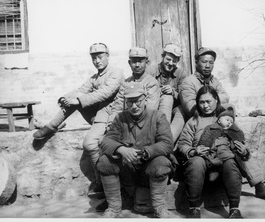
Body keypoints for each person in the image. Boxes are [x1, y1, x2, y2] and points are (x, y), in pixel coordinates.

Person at [179, 47, 265, 201]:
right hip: (199, 123)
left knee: (237, 145)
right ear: (196, 62)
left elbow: (226, 96)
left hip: (217, 121)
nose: (207, 65)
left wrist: (217, 103)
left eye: (211, 63)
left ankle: (259, 186)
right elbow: (191, 107)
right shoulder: (188, 82)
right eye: (204, 62)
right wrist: (211, 100)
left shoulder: (214, 80)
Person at [33, 43, 125, 195]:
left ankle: (101, 182)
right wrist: (66, 97)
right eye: (94, 58)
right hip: (98, 114)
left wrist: (79, 100)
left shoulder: (116, 73)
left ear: (108, 56)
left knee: (89, 144)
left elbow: (104, 93)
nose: (97, 61)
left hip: (110, 116)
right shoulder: (95, 77)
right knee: (74, 98)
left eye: (100, 57)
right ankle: (51, 126)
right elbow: (81, 90)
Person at [95, 46, 161, 212]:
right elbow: (118, 106)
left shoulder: (152, 83)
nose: (137, 64)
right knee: (106, 154)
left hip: (143, 130)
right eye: (134, 61)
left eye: (141, 61)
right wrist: (112, 124)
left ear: (147, 62)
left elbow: (148, 109)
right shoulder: (125, 84)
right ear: (129, 63)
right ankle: (112, 198)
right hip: (124, 126)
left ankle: (135, 195)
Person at [97, 82, 176, 218]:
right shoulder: (120, 118)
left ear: (145, 99)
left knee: (162, 162)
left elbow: (167, 143)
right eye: (130, 102)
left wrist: (147, 152)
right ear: (126, 103)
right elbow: (106, 141)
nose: (134, 106)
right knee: (104, 162)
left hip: (149, 171)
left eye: (138, 101)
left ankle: (160, 208)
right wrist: (121, 150)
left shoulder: (158, 116)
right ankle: (114, 209)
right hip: (128, 171)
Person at [176, 85, 245, 218]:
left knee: (231, 162)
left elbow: (238, 137)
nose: (205, 106)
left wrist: (242, 149)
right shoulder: (193, 121)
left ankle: (234, 209)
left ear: (216, 101)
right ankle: (194, 208)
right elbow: (183, 144)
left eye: (209, 101)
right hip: (202, 161)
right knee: (196, 162)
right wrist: (194, 151)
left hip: (222, 161)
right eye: (201, 102)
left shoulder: (225, 120)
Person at [146, 43, 188, 144]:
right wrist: (159, 92)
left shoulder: (181, 74)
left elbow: (184, 96)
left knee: (181, 111)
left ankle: (167, 142)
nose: (170, 63)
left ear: (178, 61)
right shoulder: (151, 71)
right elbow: (144, 92)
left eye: (174, 61)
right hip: (154, 105)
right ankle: (162, 137)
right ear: (162, 57)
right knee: (166, 97)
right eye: (168, 59)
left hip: (174, 107)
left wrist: (173, 92)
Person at [197, 106, 250, 182]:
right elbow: (205, 140)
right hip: (213, 151)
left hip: (227, 152)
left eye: (231, 122)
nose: (229, 122)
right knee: (218, 153)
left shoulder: (233, 131)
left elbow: (238, 143)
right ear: (218, 120)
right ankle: (215, 169)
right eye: (227, 120)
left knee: (226, 153)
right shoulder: (211, 128)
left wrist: (242, 151)